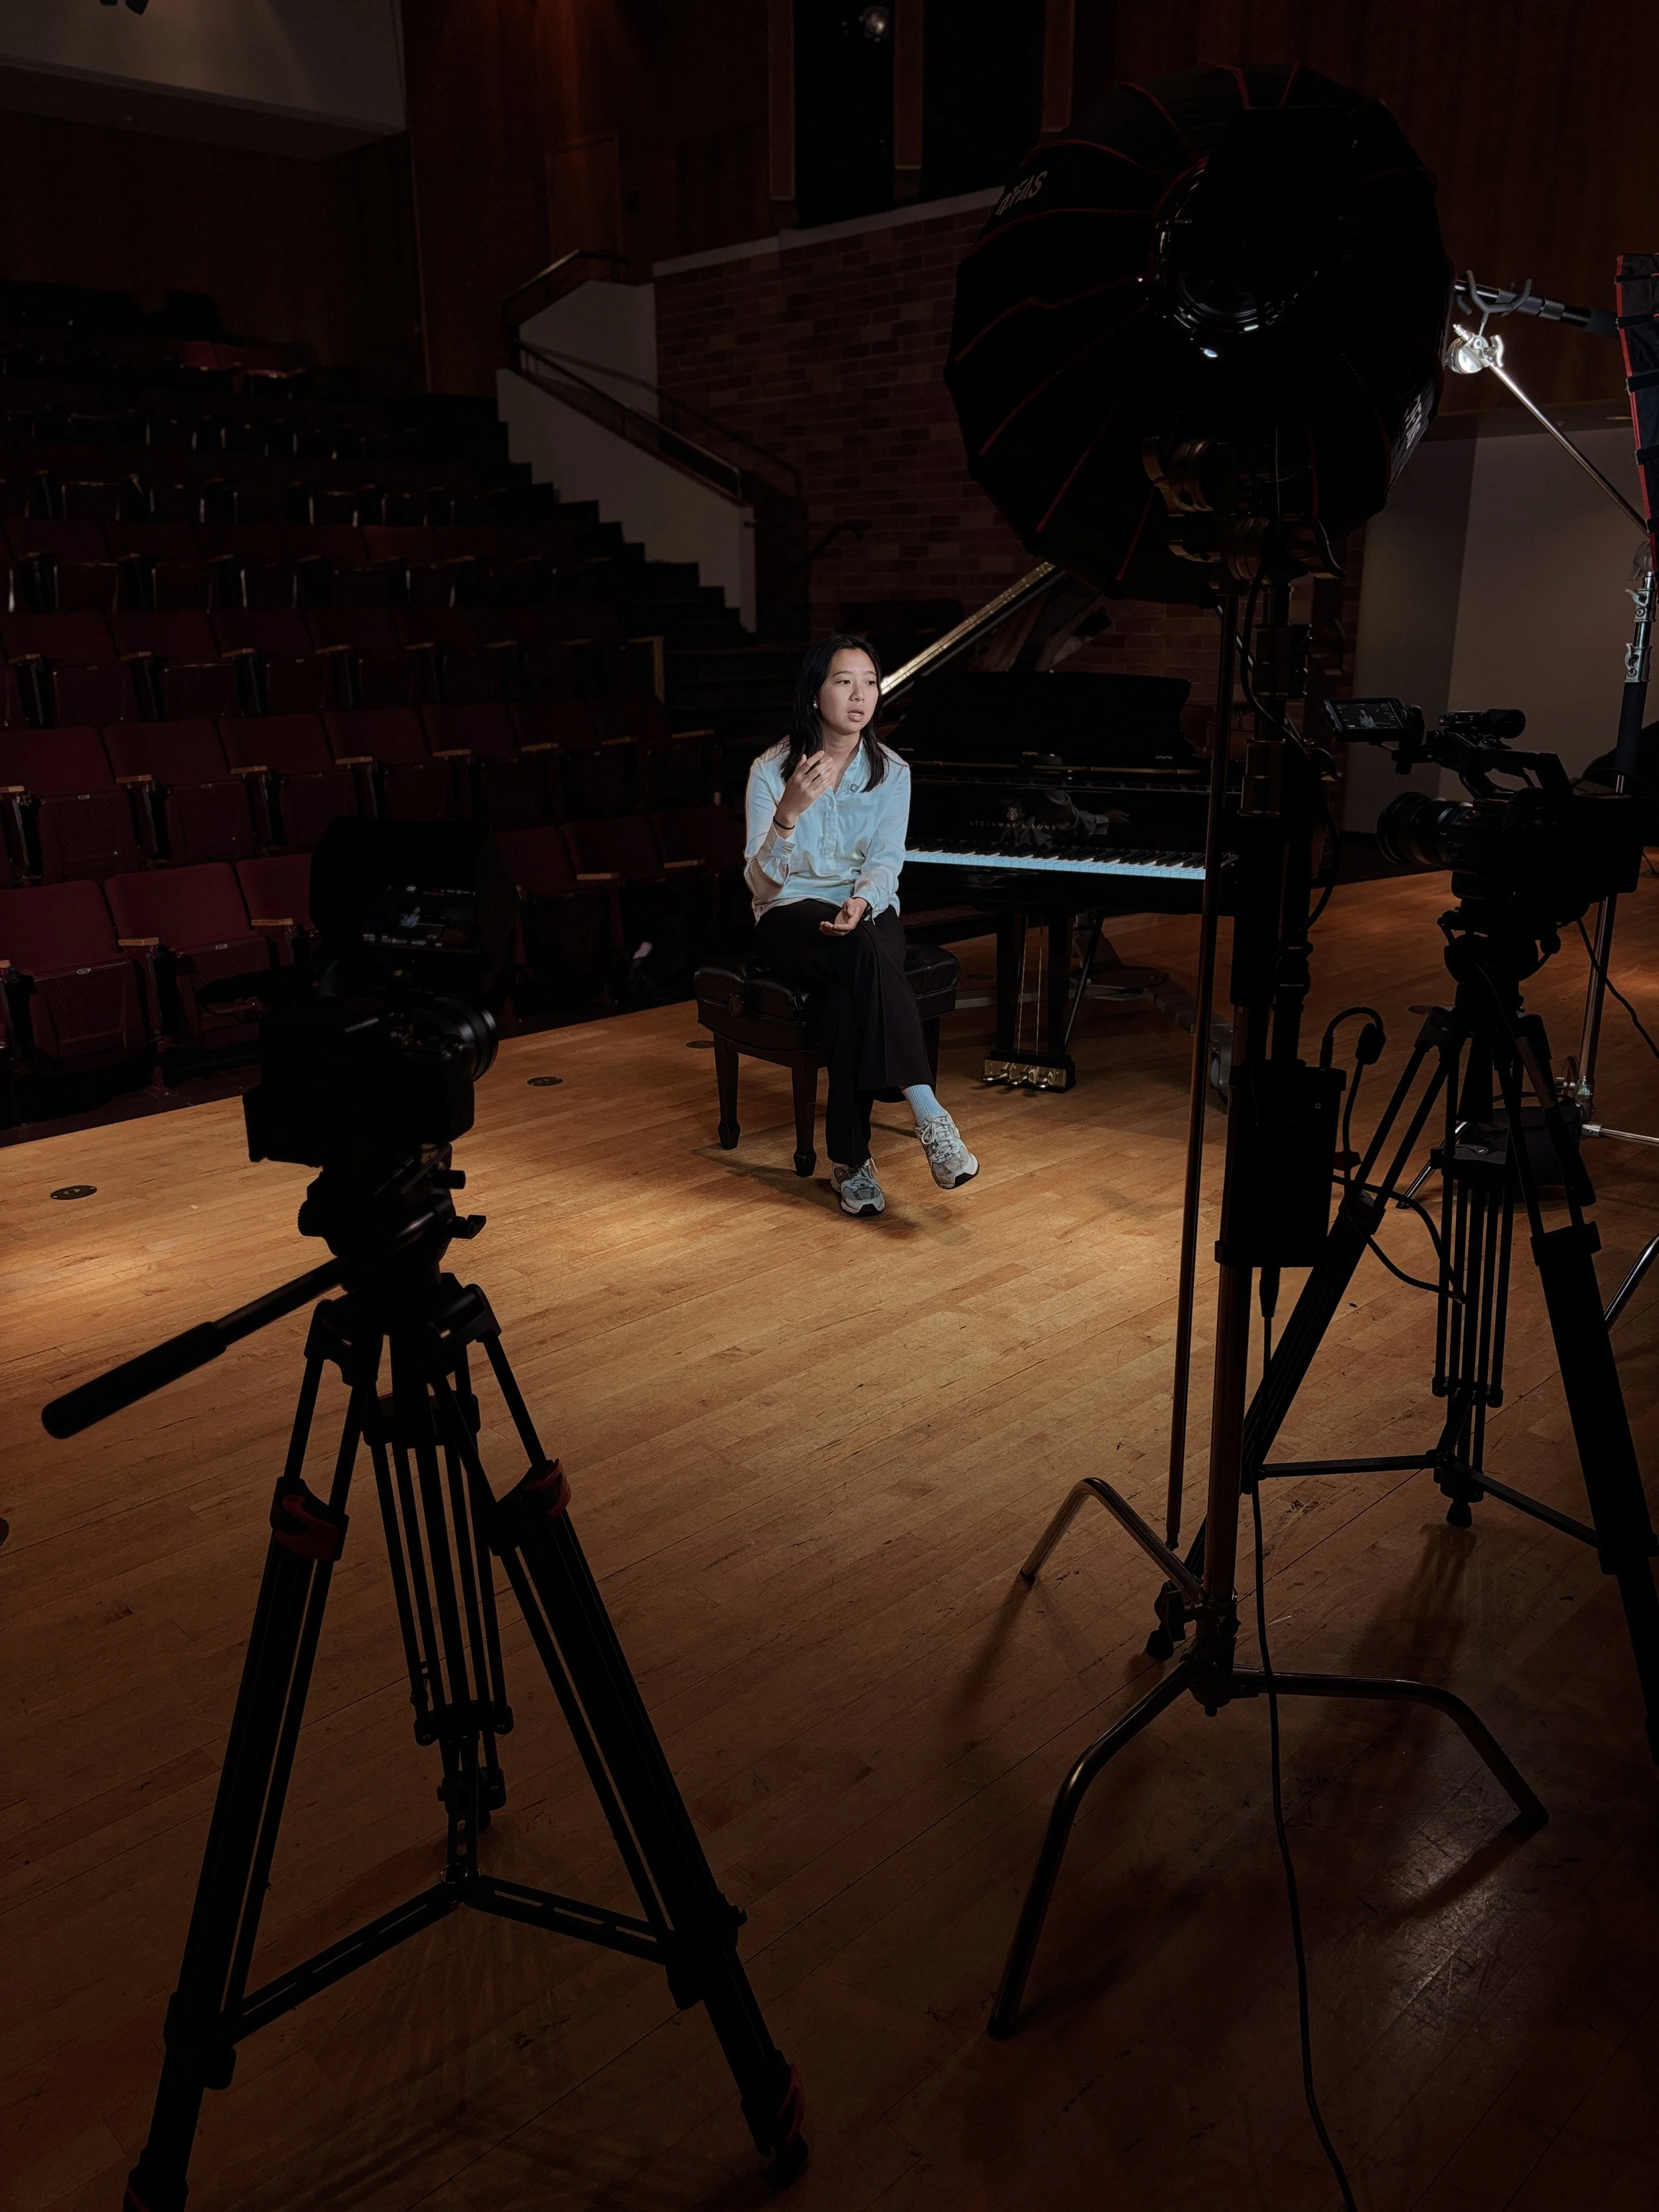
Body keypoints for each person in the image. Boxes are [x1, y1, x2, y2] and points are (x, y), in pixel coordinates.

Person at [744, 633, 978, 1217]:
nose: (860, 695)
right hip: (790, 911)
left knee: (851, 991)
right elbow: (760, 884)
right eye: (844, 681)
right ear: (815, 691)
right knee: (864, 959)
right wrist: (788, 815)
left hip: (867, 909)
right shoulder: (771, 770)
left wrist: (864, 900)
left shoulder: (892, 770)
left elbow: (885, 862)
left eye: (870, 681)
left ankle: (850, 1163)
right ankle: (930, 1113)